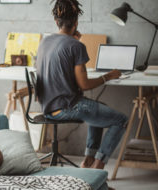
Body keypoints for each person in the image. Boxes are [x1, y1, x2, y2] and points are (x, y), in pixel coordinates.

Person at [36, 0, 128, 170]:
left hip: (48, 107)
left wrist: (73, 41)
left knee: (98, 109)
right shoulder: (76, 46)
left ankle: (87, 162)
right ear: (76, 23)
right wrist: (108, 76)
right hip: (67, 107)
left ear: (57, 22)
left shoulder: (44, 42)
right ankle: (97, 169)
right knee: (121, 120)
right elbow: (84, 84)